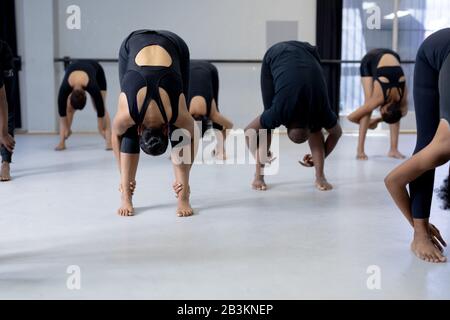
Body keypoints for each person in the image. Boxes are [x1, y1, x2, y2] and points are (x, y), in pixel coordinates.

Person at [112, 29, 196, 217]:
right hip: (145, 43)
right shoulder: (176, 114)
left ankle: (181, 197)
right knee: (180, 133)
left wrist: (122, 175)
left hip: (168, 43)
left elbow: (114, 136)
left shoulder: (130, 114)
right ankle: (182, 196)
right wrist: (186, 174)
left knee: (129, 130)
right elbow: (192, 135)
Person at [385, 28, 450, 263]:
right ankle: (418, 237)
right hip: (436, 51)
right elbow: (393, 181)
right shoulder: (443, 147)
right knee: (428, 143)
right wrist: (418, 227)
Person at [245, 41, 342, 191]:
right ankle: (259, 176)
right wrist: (259, 155)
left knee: (268, 126)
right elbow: (248, 131)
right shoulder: (279, 111)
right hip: (276, 54)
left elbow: (337, 133)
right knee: (266, 126)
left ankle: (320, 176)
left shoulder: (319, 111)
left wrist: (258, 153)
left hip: (308, 51)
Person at [347, 48, 408, 160]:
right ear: (383, 109)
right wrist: (371, 123)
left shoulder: (401, 100)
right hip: (370, 60)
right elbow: (350, 118)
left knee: (395, 114)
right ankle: (360, 150)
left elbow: (401, 113)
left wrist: (376, 121)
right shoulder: (378, 99)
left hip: (393, 55)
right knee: (368, 107)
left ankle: (393, 150)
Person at [56, 59, 112, 150]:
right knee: (68, 109)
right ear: (69, 96)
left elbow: (101, 111)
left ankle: (109, 142)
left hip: (97, 71)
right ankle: (62, 142)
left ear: (86, 94)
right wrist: (67, 130)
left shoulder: (93, 87)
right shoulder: (64, 90)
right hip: (76, 67)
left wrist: (101, 129)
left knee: (99, 107)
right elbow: (62, 115)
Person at [188, 60, 233, 159]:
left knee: (215, 110)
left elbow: (229, 125)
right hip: (193, 67)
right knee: (215, 111)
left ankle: (221, 149)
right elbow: (229, 125)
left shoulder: (212, 114)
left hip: (208, 69)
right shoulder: (211, 114)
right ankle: (220, 149)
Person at [0, 40, 16, 182]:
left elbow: (2, 101)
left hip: (3, 57)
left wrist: (4, 133)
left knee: (8, 109)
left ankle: (5, 163)